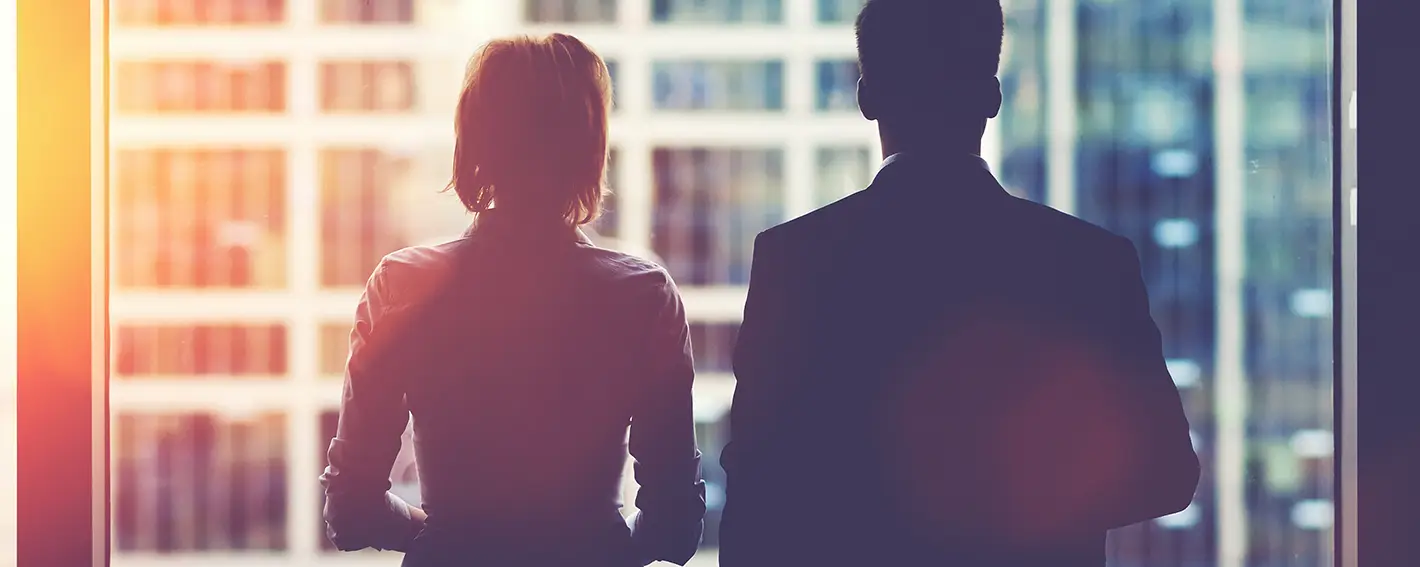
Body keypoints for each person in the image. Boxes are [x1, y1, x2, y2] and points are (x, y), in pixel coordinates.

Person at [717, 1, 1202, 566]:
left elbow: (756, 496)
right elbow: (1166, 472)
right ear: (992, 98)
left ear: (866, 96)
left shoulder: (792, 261)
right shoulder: (1091, 263)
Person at [319, 34, 706, 567]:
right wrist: (599, 544)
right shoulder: (642, 297)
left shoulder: (404, 286)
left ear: (473, 143)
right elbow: (675, 525)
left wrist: (446, 537)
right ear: (590, 148)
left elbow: (351, 511)